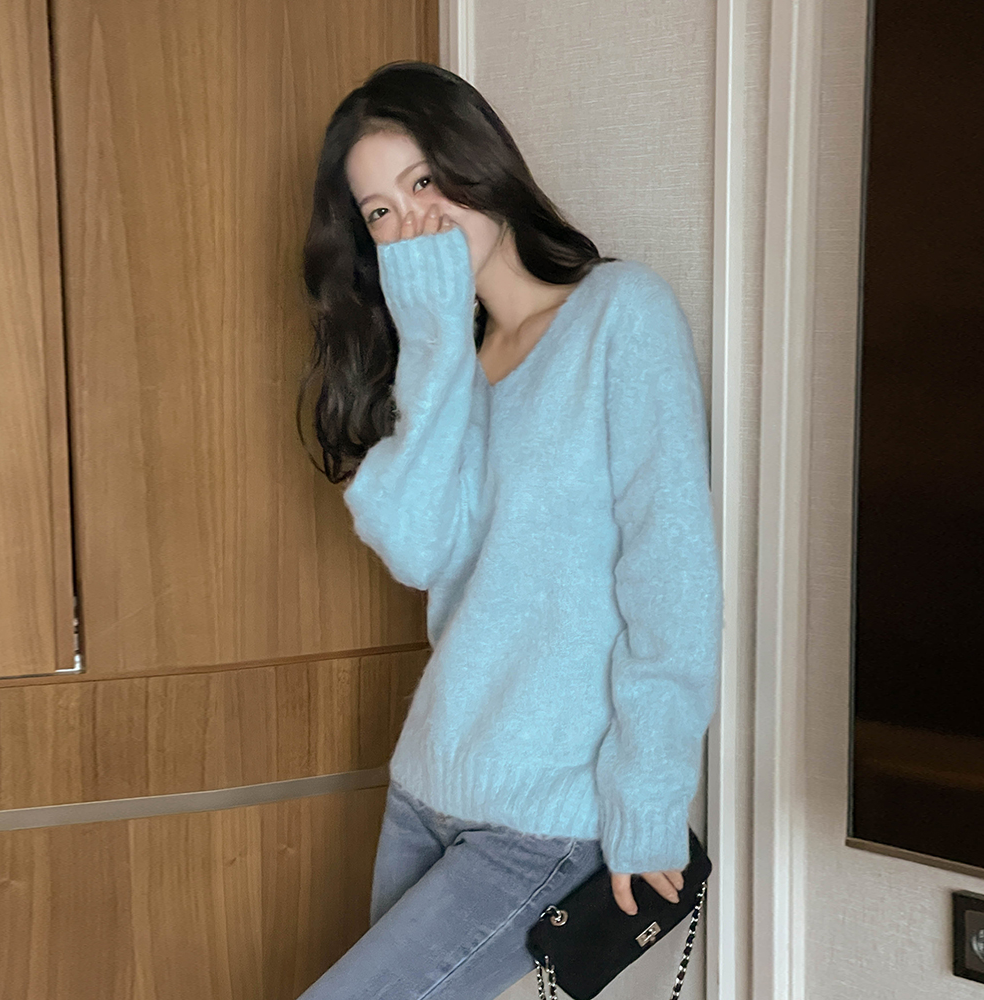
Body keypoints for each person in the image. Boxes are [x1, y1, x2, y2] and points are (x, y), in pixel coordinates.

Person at [296, 60, 723, 1000]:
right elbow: (419, 549)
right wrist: (436, 342)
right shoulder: (443, 366)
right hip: (426, 789)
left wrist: (650, 798)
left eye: (422, 180)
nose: (413, 220)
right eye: (379, 212)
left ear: (476, 160)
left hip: (549, 815)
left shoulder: (620, 315)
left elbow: (672, 575)